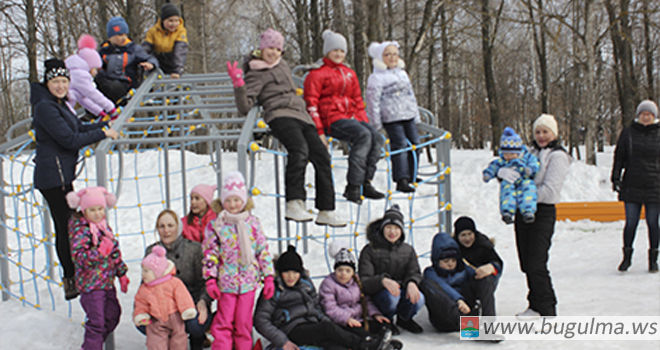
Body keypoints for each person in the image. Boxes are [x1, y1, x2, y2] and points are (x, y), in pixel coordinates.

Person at [228, 28, 344, 227]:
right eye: (269, 48)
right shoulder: (257, 71)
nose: (273, 53)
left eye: (277, 49)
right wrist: (239, 84)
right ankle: (294, 202)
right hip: (280, 115)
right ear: (261, 49)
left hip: (302, 116)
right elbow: (244, 107)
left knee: (322, 156)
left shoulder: (283, 65)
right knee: (299, 150)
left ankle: (326, 209)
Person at [31, 58, 118, 300]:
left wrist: (105, 124)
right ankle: (71, 277)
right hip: (53, 177)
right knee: (66, 226)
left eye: (63, 81)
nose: (60, 85)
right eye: (55, 81)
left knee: (69, 225)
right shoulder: (45, 107)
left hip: (61, 174)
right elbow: (69, 139)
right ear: (47, 83)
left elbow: (78, 128)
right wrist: (102, 132)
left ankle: (74, 273)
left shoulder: (59, 104)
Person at [253, 245, 389, 350]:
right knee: (327, 329)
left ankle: (371, 341)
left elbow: (316, 306)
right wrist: (282, 341)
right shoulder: (274, 289)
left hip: (312, 324)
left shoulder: (305, 285)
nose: (291, 276)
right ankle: (366, 344)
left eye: (295, 272)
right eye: (286, 272)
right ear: (280, 273)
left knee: (333, 344)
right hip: (291, 328)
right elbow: (260, 320)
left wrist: (326, 320)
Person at [303, 29, 385, 204]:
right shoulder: (317, 74)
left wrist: (364, 122)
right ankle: (353, 186)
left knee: (377, 138)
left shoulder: (349, 73)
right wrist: (319, 131)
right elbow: (311, 103)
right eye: (335, 50)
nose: (338, 54)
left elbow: (357, 100)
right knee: (363, 136)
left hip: (349, 117)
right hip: (330, 119)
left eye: (342, 51)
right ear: (327, 51)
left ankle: (366, 181)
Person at [202, 171, 275, 350]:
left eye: (236, 200)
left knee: (243, 323)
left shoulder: (253, 223)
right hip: (226, 282)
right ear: (222, 202)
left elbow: (262, 251)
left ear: (243, 200)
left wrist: (269, 276)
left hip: (248, 282)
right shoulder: (216, 225)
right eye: (228, 200)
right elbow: (210, 253)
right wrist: (210, 279)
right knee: (223, 322)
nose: (233, 205)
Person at [514, 114, 571, 318]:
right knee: (526, 262)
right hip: (523, 212)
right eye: (538, 131)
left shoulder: (558, 156)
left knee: (537, 262)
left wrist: (524, 195)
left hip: (543, 212)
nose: (541, 136)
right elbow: (516, 176)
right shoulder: (528, 152)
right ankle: (534, 303)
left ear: (553, 133)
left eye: (545, 131)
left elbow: (550, 190)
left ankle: (547, 306)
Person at [66, 186, 129, 350]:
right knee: (97, 322)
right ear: (84, 210)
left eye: (100, 209)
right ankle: (92, 346)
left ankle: (93, 343)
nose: (97, 213)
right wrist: (99, 251)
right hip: (90, 286)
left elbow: (114, 252)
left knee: (113, 315)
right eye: (92, 210)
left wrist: (122, 273)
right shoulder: (81, 230)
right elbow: (79, 258)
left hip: (107, 283)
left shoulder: (104, 228)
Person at [144, 209, 212, 350]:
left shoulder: (194, 249)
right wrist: (142, 308)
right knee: (145, 322)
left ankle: (197, 341)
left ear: (178, 227)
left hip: (191, 304)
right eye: (162, 226)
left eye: (170, 226)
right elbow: (145, 283)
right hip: (162, 306)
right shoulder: (152, 251)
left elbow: (205, 282)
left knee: (195, 323)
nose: (166, 230)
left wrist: (203, 301)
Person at [358, 204, 425, 334]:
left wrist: (412, 282)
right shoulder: (370, 250)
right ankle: (386, 321)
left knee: (419, 298)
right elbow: (364, 280)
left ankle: (405, 318)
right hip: (380, 293)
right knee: (391, 297)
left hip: (401, 289)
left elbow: (414, 272)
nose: (392, 232)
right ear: (382, 229)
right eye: (389, 227)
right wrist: (382, 281)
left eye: (396, 228)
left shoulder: (407, 249)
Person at [319, 241, 400, 347]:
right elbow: (330, 308)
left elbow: (365, 300)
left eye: (348, 271)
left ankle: (383, 340)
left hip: (360, 318)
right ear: (335, 270)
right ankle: (373, 344)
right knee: (361, 334)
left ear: (353, 272)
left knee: (383, 325)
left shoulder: (356, 282)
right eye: (340, 270)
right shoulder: (329, 284)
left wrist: (375, 314)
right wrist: (347, 318)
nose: (343, 274)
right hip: (342, 321)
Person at [611, 100, 660, 273]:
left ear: (654, 116)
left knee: (653, 223)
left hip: (655, 186)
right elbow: (619, 157)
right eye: (643, 114)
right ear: (638, 115)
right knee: (630, 222)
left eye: (649, 114)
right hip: (632, 184)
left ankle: (653, 259)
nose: (646, 117)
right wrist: (616, 178)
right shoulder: (628, 133)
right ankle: (627, 257)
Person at [366, 41, 421, 193]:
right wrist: (376, 122)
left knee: (415, 143)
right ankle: (401, 179)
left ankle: (412, 173)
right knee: (400, 145)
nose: (392, 57)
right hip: (391, 117)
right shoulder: (376, 78)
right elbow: (372, 101)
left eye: (395, 54)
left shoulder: (402, 74)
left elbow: (411, 95)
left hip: (408, 114)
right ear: (380, 57)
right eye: (387, 54)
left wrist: (416, 115)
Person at [419, 233, 496, 332]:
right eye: (446, 261)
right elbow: (443, 286)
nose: (450, 264)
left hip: (467, 311)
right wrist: (458, 300)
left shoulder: (462, 268)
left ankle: (488, 325)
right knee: (426, 285)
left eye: (453, 260)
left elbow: (479, 278)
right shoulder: (430, 272)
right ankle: (470, 327)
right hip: (445, 318)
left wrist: (488, 271)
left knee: (484, 278)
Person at [134, 245, 198, 350]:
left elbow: (183, 296)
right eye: (142, 270)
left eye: (146, 271)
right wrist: (141, 314)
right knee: (155, 342)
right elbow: (141, 303)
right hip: (156, 321)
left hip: (175, 318)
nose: (143, 274)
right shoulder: (144, 289)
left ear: (157, 272)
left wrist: (186, 309)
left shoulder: (173, 283)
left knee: (179, 340)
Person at [483, 127, 540, 224]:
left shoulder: (526, 157)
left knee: (529, 188)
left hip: (524, 179)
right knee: (506, 190)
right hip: (509, 180)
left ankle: (528, 211)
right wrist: (488, 174)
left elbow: (535, 164)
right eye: (506, 154)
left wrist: (530, 170)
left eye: (512, 154)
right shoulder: (502, 161)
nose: (509, 157)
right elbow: (493, 166)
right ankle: (507, 212)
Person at [96, 16, 159, 102]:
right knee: (95, 82)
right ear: (111, 37)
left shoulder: (133, 49)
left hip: (126, 84)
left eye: (125, 34)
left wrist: (151, 64)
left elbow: (150, 58)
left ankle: (111, 103)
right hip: (108, 83)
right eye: (120, 35)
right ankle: (93, 110)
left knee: (114, 86)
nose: (124, 38)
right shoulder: (104, 51)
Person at [65, 34, 120, 121]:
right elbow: (92, 94)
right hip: (63, 109)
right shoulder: (80, 75)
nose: (96, 72)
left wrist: (100, 112)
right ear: (89, 65)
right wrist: (111, 108)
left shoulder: (74, 74)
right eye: (95, 69)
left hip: (65, 108)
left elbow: (83, 99)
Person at [452, 216, 503, 289]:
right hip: (462, 282)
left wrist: (491, 267)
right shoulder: (453, 247)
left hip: (483, 281)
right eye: (463, 235)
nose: (467, 238)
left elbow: (498, 263)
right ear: (457, 236)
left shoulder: (483, 245)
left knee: (487, 280)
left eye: (470, 234)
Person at [142, 3, 188, 79]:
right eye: (170, 21)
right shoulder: (153, 31)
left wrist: (177, 70)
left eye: (177, 21)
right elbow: (146, 48)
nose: (174, 24)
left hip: (172, 62)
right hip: (157, 61)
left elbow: (180, 51)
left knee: (173, 83)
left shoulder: (180, 31)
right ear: (163, 20)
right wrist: (145, 61)